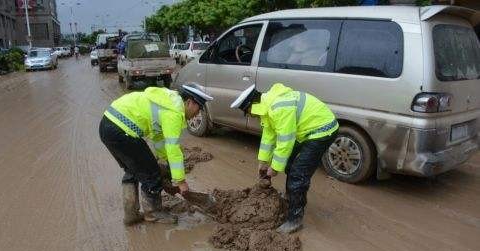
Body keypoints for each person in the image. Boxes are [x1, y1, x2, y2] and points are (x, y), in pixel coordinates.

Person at [99, 83, 213, 225]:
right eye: (199, 107)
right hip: (121, 130)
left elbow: (158, 137)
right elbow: (173, 148)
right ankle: (153, 213)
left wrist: (165, 161)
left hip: (107, 126)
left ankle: (131, 214)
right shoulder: (174, 112)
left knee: (133, 169)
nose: (198, 113)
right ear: (189, 102)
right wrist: (181, 181)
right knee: (151, 172)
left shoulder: (167, 101)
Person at [231, 83, 338, 233]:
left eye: (248, 113)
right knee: (288, 164)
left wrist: (273, 169)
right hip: (306, 130)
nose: (250, 116)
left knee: (298, 173)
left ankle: (295, 219)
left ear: (252, 106)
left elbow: (285, 141)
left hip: (321, 130)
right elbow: (268, 137)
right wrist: (263, 162)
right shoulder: (268, 108)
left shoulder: (279, 107)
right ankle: (292, 197)